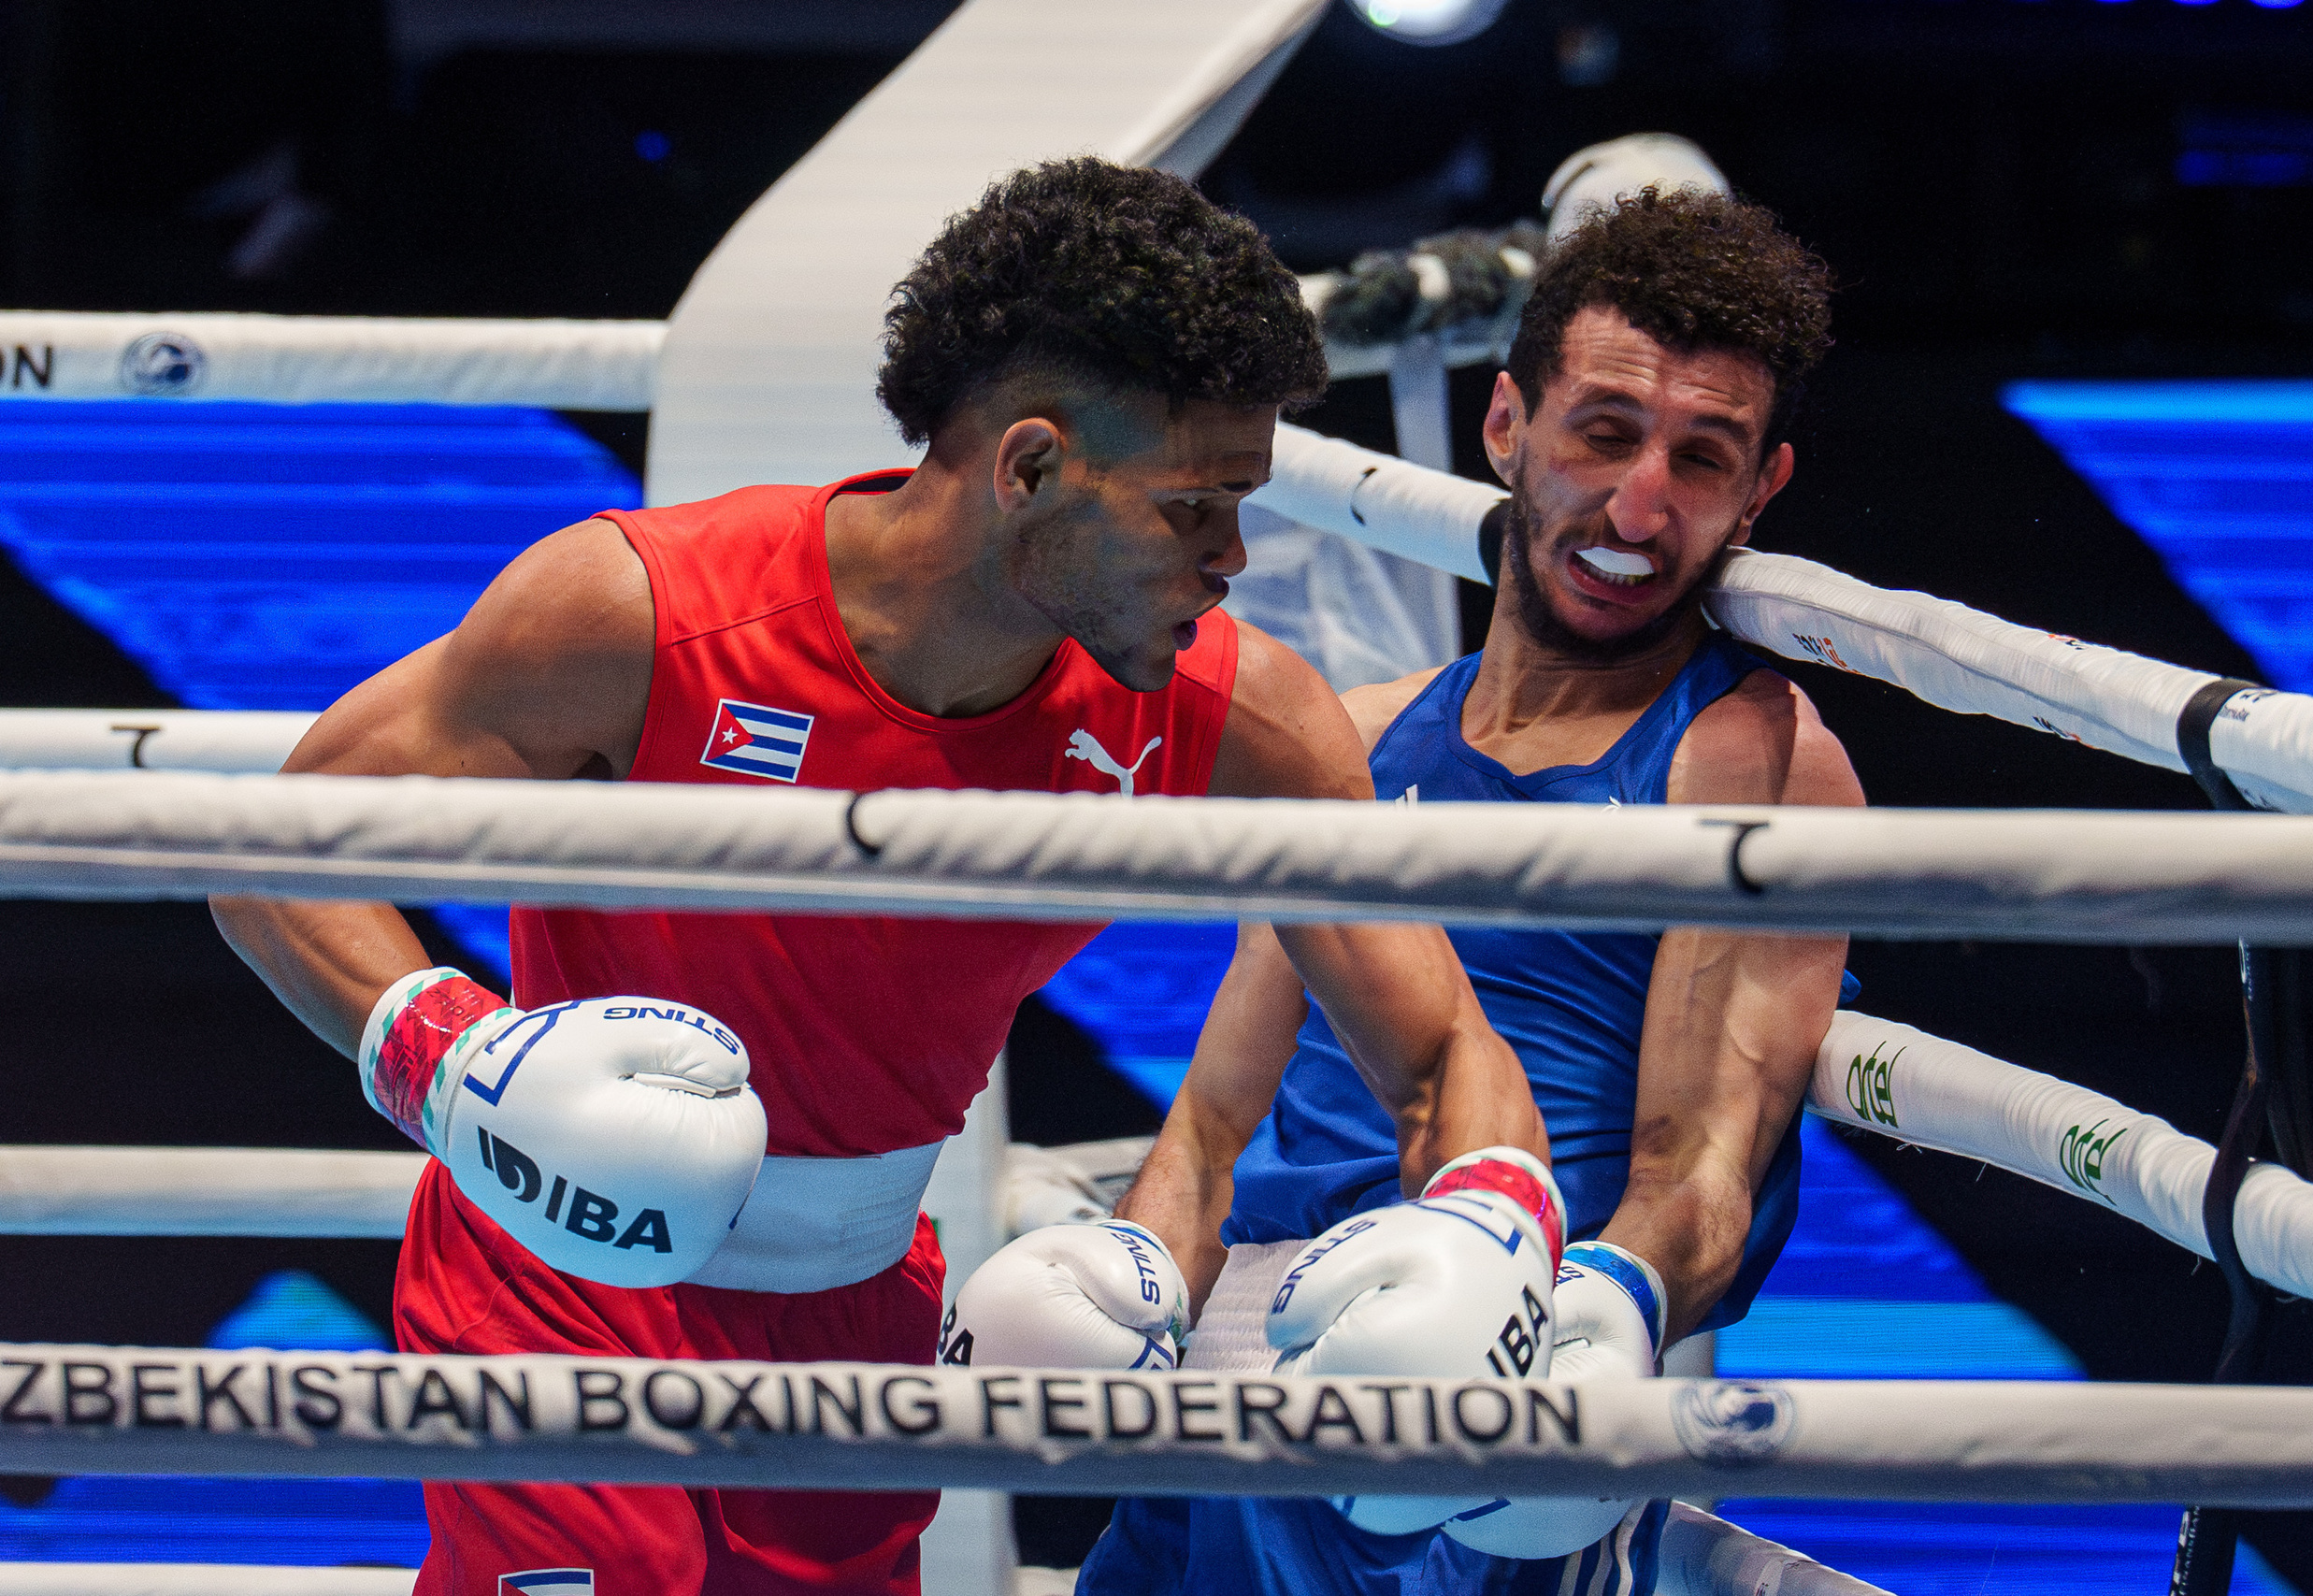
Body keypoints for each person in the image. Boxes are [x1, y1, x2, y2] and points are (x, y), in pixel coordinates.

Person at [208, 157, 1551, 1596]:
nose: (1233, 558)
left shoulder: (1237, 717)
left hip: (856, 1307)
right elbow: (281, 852)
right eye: (1192, 509)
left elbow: (1441, 1049)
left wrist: (1502, 1229)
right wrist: (452, 1057)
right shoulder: (644, 612)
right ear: (1030, 466)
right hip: (558, 1282)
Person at [1073, 187, 1866, 1594]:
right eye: (1605, 435)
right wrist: (1119, 1286)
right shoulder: (1361, 732)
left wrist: (1594, 1319)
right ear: (1507, 427)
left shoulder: (1749, 758)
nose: (1639, 506)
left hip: (1460, 1376)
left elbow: (1704, 1176)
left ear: (1763, 492)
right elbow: (1210, 1126)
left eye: (1702, 460)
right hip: (1223, 1386)